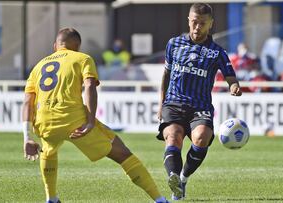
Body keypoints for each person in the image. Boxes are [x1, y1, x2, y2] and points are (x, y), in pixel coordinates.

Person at [22, 28, 169, 203]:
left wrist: (27, 137)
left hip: (45, 122)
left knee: (48, 152)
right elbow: (90, 86)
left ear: (55, 46)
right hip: (74, 119)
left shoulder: (38, 66)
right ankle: (159, 199)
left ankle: (51, 198)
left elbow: (27, 102)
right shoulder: (82, 58)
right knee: (122, 153)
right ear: (77, 46)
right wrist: (90, 122)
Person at [157, 3, 242, 200]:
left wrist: (234, 86)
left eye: (202, 23)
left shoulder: (217, 52)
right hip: (174, 102)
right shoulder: (174, 44)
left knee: (202, 137)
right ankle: (173, 178)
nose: (197, 27)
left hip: (200, 107)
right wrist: (161, 103)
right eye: (194, 22)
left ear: (210, 24)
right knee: (173, 136)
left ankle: (183, 179)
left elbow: (231, 76)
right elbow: (166, 74)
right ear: (189, 20)